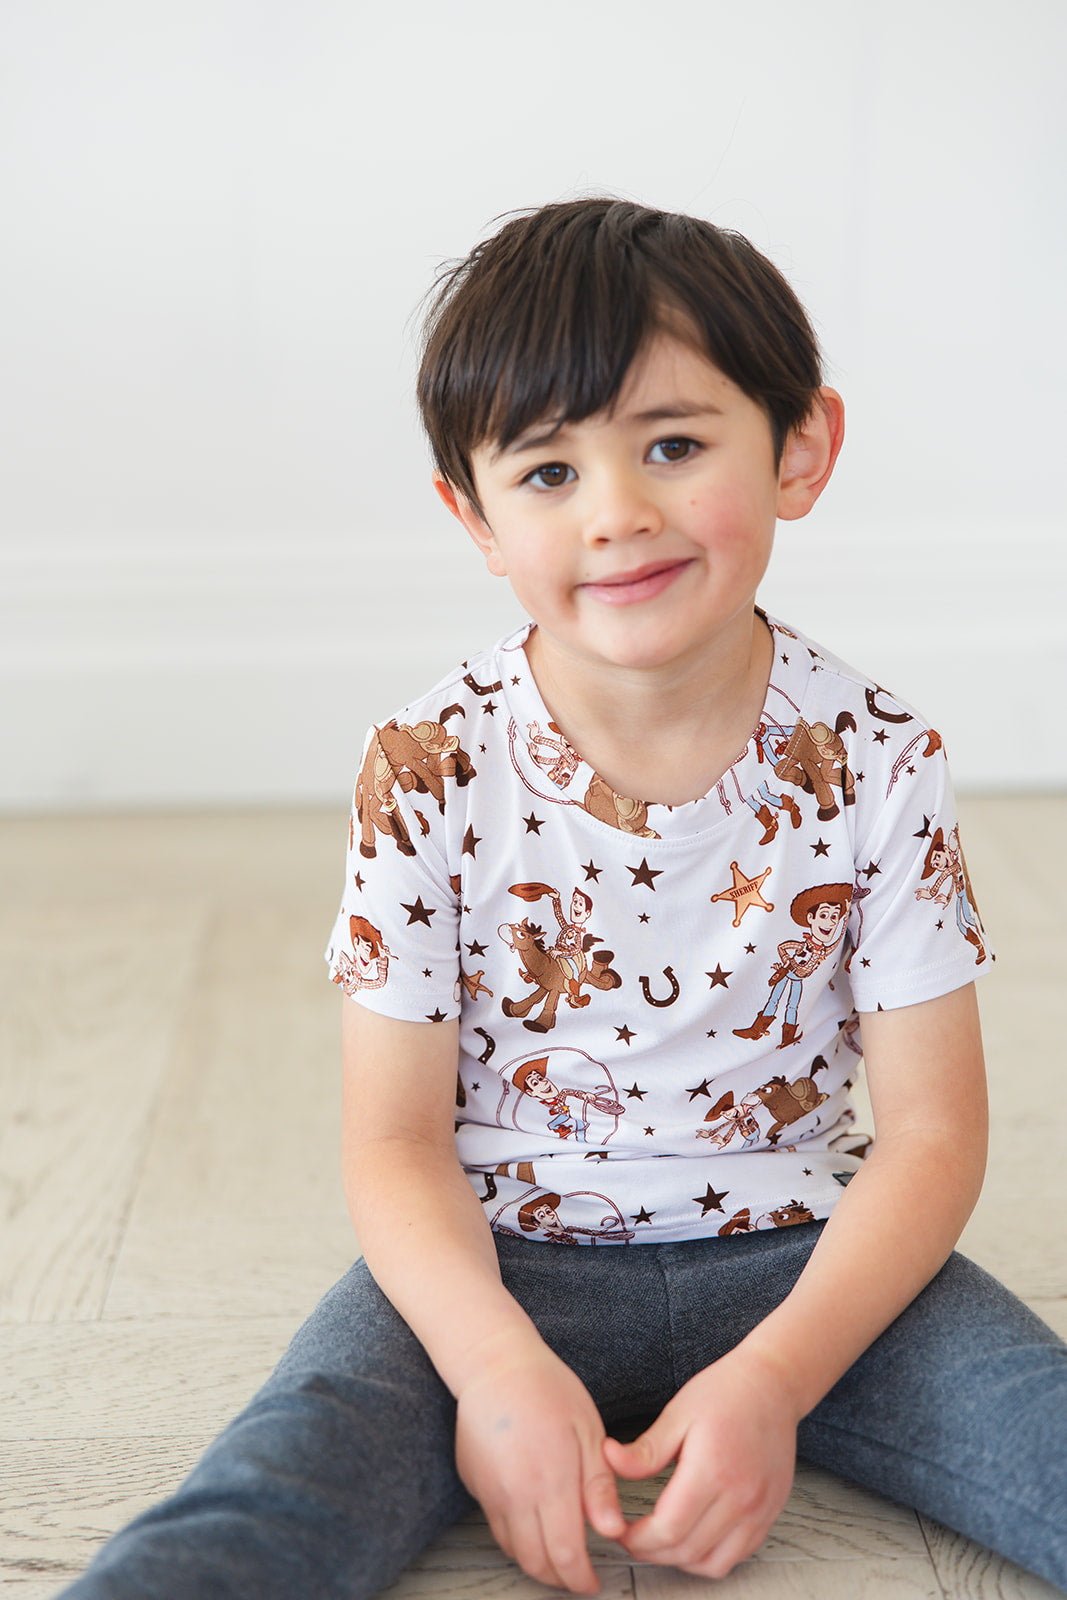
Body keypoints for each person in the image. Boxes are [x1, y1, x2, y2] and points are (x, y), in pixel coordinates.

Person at [59, 198, 1066, 1598]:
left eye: (673, 445)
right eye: (547, 470)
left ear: (801, 447)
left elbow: (936, 1132)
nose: (618, 514)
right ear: (472, 516)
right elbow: (394, 1141)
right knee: (275, 1487)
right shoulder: (427, 764)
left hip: (807, 1256)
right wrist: (491, 1367)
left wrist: (777, 1376)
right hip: (494, 1261)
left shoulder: (880, 759)